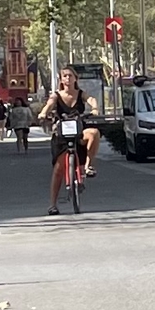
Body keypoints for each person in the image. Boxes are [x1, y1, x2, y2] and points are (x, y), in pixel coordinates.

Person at [34, 65, 100, 214]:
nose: (68, 79)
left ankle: (89, 166)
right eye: (65, 76)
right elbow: (49, 105)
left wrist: (95, 108)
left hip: (79, 131)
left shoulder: (80, 93)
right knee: (58, 170)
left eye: (71, 76)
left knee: (94, 133)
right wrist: (43, 113)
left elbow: (91, 99)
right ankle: (52, 204)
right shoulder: (56, 95)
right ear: (61, 79)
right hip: (61, 134)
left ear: (76, 79)